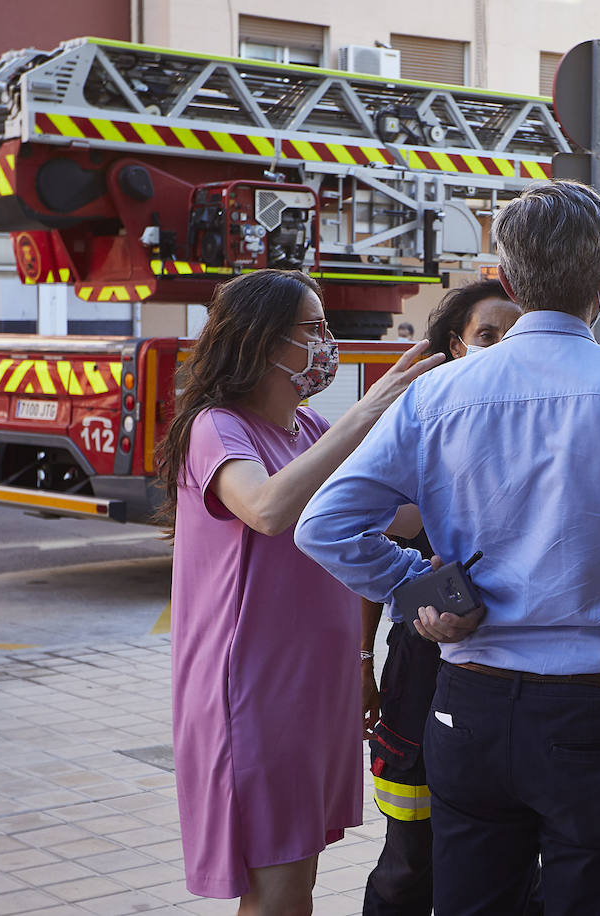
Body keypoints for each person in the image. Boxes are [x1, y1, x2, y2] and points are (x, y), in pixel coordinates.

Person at [296, 179, 600, 916]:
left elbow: (323, 524)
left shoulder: (437, 393)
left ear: (509, 281)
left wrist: (421, 591)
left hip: (472, 707)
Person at [154, 269, 442, 913]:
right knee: (277, 889)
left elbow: (400, 520)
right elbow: (265, 508)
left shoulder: (305, 429)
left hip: (309, 685)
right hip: (252, 690)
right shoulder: (217, 427)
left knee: (296, 881)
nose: (325, 343)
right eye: (312, 328)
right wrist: (366, 413)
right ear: (259, 340)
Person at [360, 278, 525, 916]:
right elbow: (363, 546)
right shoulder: (420, 441)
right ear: (453, 347)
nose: (501, 349)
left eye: (514, 336)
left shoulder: (550, 434)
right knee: (410, 862)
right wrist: (361, 665)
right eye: (487, 336)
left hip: (517, 681)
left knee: (504, 861)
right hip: (422, 678)